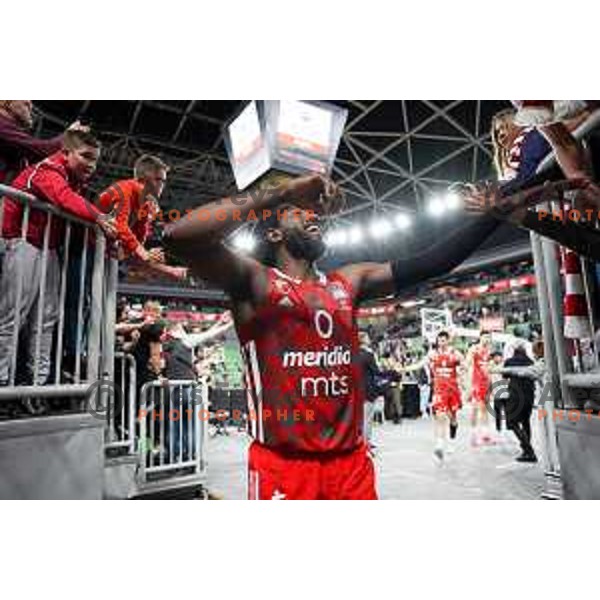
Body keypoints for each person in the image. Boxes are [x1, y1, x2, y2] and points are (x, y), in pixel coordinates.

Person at [164, 173, 500, 499]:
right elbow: (179, 236)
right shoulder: (255, 282)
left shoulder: (349, 282)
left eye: (312, 212)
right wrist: (280, 193)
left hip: (351, 464)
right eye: (298, 211)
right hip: (284, 467)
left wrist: (494, 215)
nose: (312, 215)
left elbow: (434, 262)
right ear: (274, 235)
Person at [0, 128, 116, 388]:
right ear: (65, 153)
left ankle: (36, 387)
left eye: (95, 159)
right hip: (21, 242)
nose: (91, 165)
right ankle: (1, 383)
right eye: (86, 156)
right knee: (11, 316)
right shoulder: (48, 169)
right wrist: (98, 217)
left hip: (47, 248)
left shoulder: (73, 179)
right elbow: (63, 198)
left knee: (46, 319)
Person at [97, 154, 188, 281]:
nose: (163, 185)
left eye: (164, 181)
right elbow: (120, 225)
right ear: (143, 180)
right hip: (84, 245)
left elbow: (138, 242)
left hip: (104, 252)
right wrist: (144, 253)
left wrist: (149, 255)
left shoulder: (147, 205)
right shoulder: (124, 189)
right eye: (159, 179)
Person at [428, 331, 465, 462]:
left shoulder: (455, 353)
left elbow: (465, 366)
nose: (441, 343)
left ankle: (452, 442)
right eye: (439, 340)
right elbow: (422, 363)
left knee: (453, 419)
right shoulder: (432, 354)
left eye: (443, 340)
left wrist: (461, 372)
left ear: (448, 341)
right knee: (440, 416)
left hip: (452, 390)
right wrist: (406, 369)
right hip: (439, 390)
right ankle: (439, 445)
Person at [502, 343, 537, 462]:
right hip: (530, 395)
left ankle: (529, 450)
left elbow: (505, 376)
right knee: (526, 422)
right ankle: (526, 450)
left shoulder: (509, 361)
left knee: (512, 422)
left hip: (515, 395)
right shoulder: (531, 362)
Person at [466, 332, 493, 446]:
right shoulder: (474, 349)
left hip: (486, 382)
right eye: (485, 337)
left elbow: (489, 368)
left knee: (485, 408)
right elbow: (468, 365)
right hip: (476, 382)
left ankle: (485, 435)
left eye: (489, 337)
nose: (487, 339)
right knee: (476, 408)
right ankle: (473, 435)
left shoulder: (489, 351)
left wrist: (491, 383)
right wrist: (469, 385)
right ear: (480, 337)